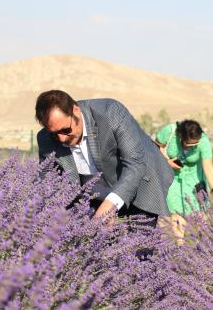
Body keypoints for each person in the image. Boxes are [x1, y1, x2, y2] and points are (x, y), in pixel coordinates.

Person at [35, 90, 173, 227]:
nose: (61, 138)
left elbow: (135, 163)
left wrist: (110, 205)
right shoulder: (45, 139)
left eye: (66, 130)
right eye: (54, 134)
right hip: (94, 196)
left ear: (76, 110)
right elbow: (49, 182)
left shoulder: (110, 112)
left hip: (139, 184)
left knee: (139, 244)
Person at [154, 120, 213, 216]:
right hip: (173, 181)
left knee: (199, 221)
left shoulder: (203, 141)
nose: (192, 147)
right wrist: (166, 163)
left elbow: (208, 166)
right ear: (181, 137)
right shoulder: (170, 131)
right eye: (189, 144)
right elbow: (156, 146)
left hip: (195, 182)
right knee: (176, 218)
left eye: (195, 144)